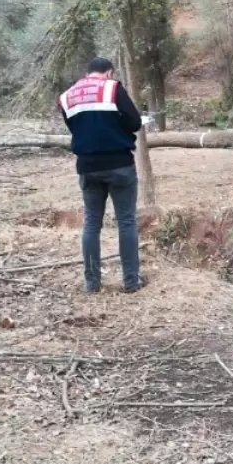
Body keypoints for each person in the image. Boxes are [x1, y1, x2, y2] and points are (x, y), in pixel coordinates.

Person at [58, 57, 145, 292]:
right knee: (126, 221)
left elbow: (74, 126)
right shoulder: (113, 88)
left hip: (87, 166)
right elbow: (135, 122)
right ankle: (130, 281)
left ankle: (92, 283)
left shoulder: (68, 96)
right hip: (119, 163)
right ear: (108, 73)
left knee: (91, 224)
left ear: (88, 73)